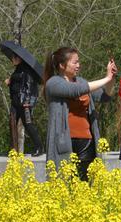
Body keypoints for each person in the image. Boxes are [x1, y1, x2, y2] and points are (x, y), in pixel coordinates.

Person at [44, 47, 117, 181]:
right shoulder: (53, 83)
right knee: (64, 182)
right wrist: (106, 78)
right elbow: (75, 91)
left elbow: (105, 96)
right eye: (75, 62)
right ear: (62, 65)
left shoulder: (82, 82)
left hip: (86, 140)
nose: (78, 65)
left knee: (84, 182)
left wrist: (111, 78)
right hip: (63, 141)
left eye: (78, 62)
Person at [5, 55, 44, 156]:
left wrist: (27, 102)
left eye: (14, 58)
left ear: (20, 58)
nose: (12, 59)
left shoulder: (27, 70)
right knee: (12, 123)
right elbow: (17, 85)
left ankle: (39, 147)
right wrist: (10, 82)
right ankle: (14, 149)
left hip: (24, 102)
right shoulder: (18, 69)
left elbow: (29, 87)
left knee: (28, 124)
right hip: (15, 101)